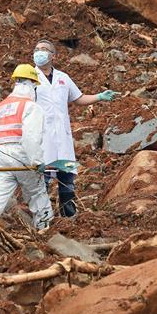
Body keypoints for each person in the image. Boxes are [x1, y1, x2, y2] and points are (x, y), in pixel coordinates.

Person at [32, 39, 118, 217]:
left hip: (62, 138)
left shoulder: (63, 78)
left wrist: (100, 96)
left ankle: (69, 218)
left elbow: (78, 98)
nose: (39, 52)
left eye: (44, 49)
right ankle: (43, 220)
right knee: (43, 180)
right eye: (37, 49)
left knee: (67, 179)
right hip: (41, 137)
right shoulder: (29, 77)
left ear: (53, 56)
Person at [0, 64, 53, 230]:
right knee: (37, 193)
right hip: (21, 155)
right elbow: (31, 138)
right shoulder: (31, 107)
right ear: (33, 84)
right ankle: (45, 229)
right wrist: (37, 161)